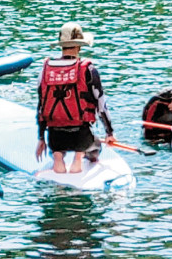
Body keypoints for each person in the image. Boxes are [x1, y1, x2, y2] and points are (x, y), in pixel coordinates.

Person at [35, 22, 116, 174]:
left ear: (62, 46)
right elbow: (101, 105)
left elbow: (41, 106)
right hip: (81, 136)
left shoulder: (45, 70)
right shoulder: (88, 70)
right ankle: (78, 159)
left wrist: (41, 138)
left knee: (58, 149)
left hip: (54, 137)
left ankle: (58, 160)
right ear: (79, 46)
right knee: (95, 149)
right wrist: (109, 133)